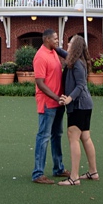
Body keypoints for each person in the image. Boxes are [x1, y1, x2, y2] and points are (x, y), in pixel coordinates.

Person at [57, 35, 99, 185]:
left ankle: (74, 177)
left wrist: (69, 99)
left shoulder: (77, 64)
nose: (68, 44)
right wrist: (53, 45)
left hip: (79, 105)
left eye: (71, 42)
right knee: (85, 137)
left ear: (75, 47)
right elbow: (62, 52)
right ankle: (93, 172)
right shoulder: (74, 60)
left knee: (73, 136)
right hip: (86, 104)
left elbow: (80, 85)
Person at [31, 29, 69, 183]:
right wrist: (56, 97)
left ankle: (58, 168)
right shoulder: (40, 56)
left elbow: (68, 55)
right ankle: (38, 173)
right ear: (46, 39)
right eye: (55, 38)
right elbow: (40, 83)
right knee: (44, 137)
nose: (57, 41)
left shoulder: (53, 52)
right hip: (48, 103)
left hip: (58, 102)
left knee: (56, 135)